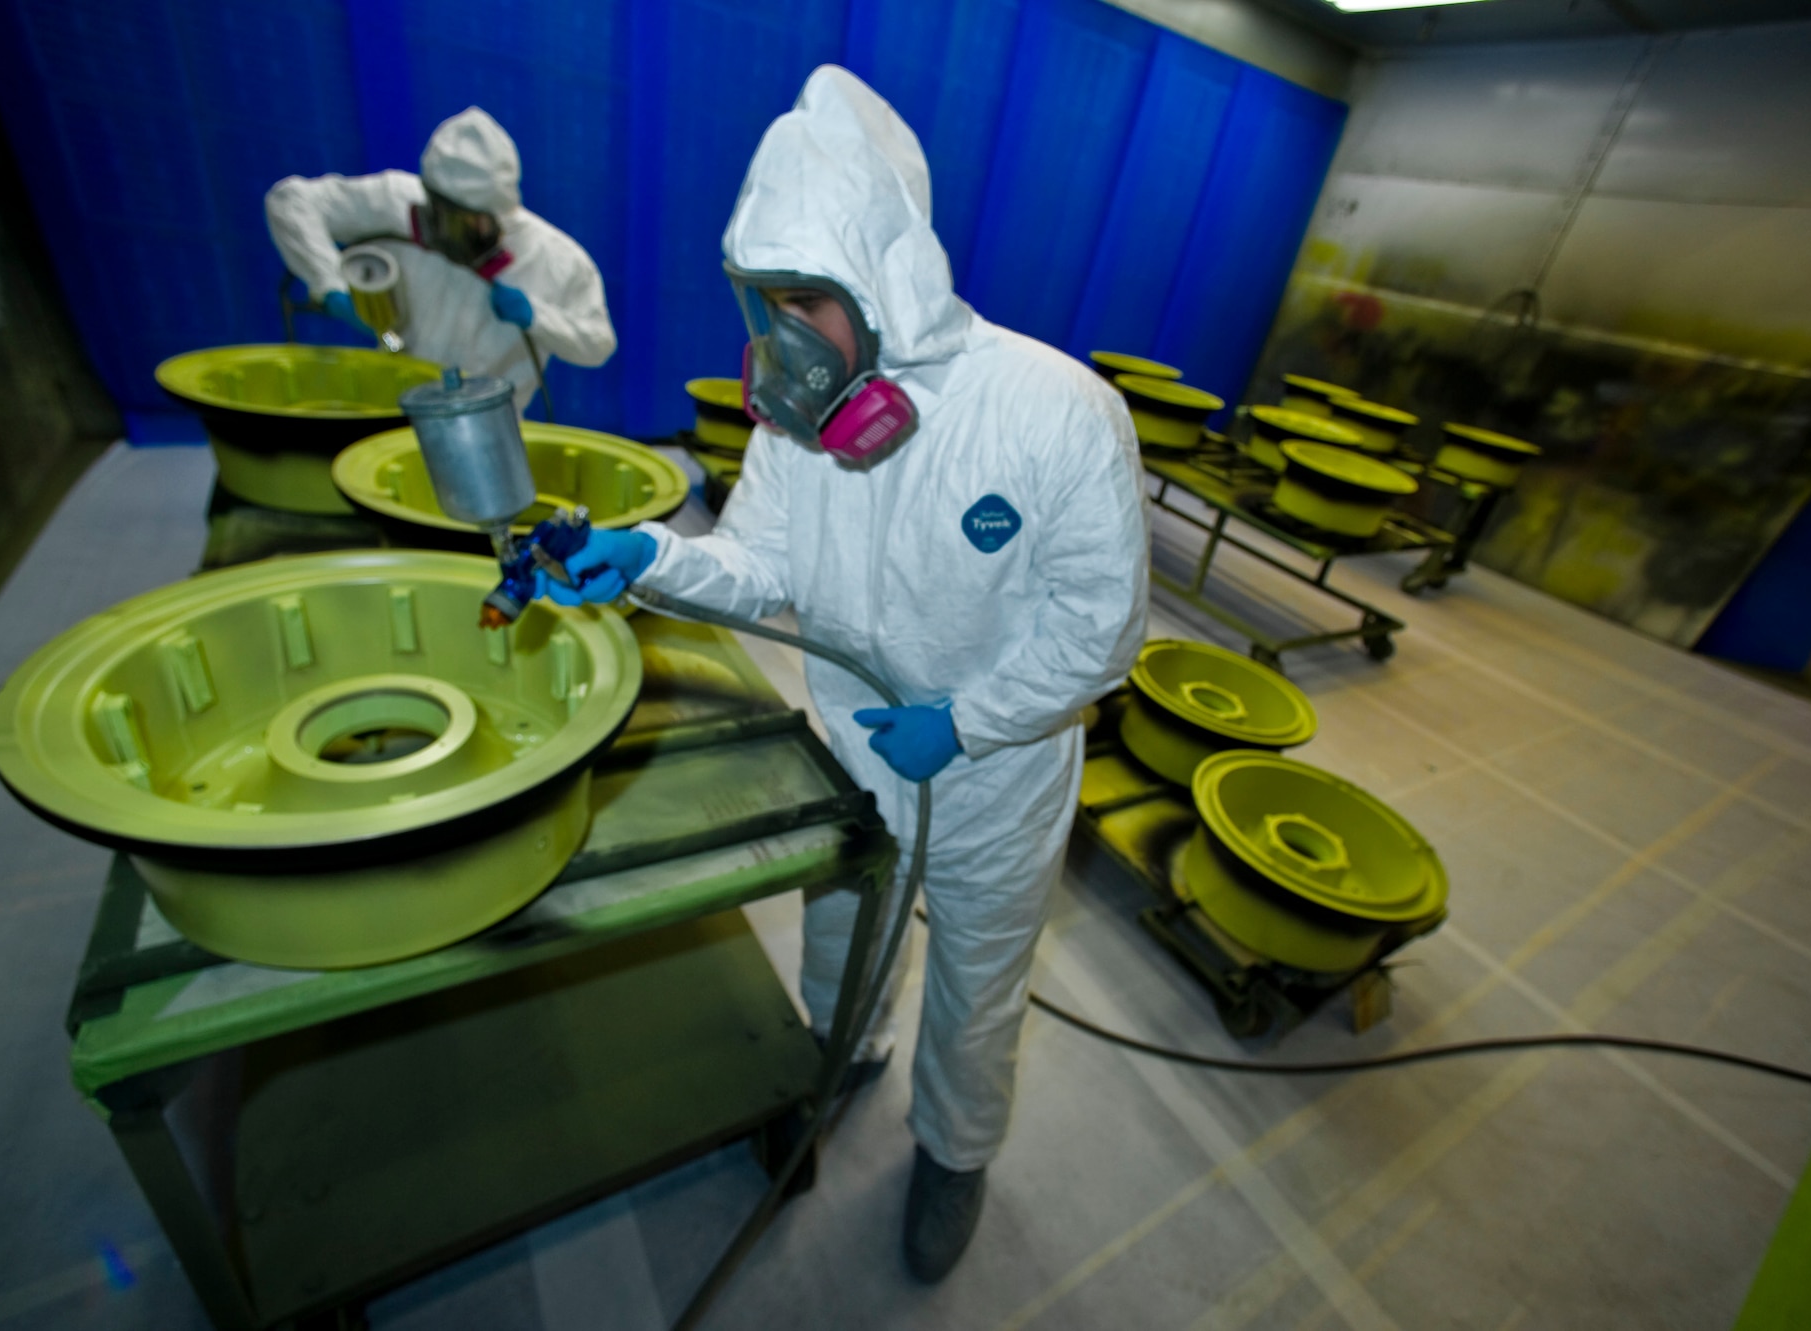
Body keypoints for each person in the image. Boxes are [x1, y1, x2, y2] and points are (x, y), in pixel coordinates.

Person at [545, 66, 1149, 1280]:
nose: (779, 339)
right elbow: (760, 564)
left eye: (803, 300)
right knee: (840, 941)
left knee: (977, 986)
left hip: (992, 777)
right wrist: (650, 559)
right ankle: (842, 1054)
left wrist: (967, 723)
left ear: (882, 277)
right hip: (849, 757)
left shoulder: (1056, 414)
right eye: (762, 301)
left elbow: (1100, 628)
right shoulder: (797, 425)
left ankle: (954, 1148)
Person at [265, 107, 615, 412]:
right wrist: (330, 286)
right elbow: (290, 202)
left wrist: (539, 317)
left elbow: (598, 344)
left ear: (502, 211)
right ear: (429, 198)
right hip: (393, 388)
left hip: (490, 422)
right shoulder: (396, 203)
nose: (455, 233)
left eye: (474, 222)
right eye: (446, 215)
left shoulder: (554, 259)